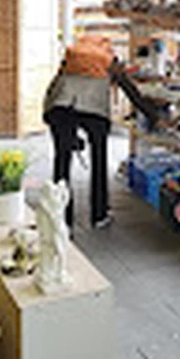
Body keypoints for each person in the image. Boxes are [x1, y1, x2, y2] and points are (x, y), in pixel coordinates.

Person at [44, 36, 115, 229]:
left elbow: (54, 86)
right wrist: (153, 116)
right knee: (99, 162)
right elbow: (129, 89)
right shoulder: (108, 59)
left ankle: (61, 217)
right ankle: (99, 215)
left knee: (62, 162)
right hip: (95, 111)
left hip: (61, 107)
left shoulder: (72, 58)